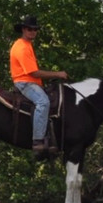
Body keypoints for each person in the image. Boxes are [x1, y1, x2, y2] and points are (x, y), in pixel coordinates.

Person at [10, 15, 68, 158]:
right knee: (43, 102)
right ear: (23, 29)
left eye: (35, 29)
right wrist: (58, 74)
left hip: (32, 82)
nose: (33, 32)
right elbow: (34, 73)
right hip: (25, 82)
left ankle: (51, 138)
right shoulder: (22, 47)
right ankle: (37, 141)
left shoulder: (27, 45)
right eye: (30, 29)